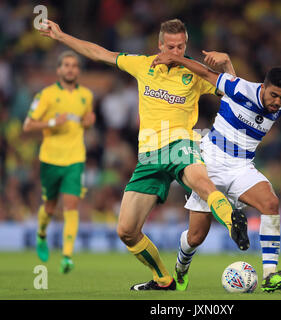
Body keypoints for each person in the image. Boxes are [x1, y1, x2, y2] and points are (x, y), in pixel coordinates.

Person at [39, 18, 249, 290]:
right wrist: (62, 36)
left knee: (201, 182)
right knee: (126, 230)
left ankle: (233, 222)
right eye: (171, 46)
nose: (176, 52)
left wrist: (228, 65)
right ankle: (163, 280)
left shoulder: (195, 72)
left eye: (181, 46)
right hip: (149, 155)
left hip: (180, 143)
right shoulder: (141, 64)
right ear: (160, 45)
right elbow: (101, 53)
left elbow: (237, 93)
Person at [151, 52, 281, 292]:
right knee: (195, 238)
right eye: (274, 95)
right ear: (263, 87)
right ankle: (181, 267)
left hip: (241, 168)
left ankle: (270, 275)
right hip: (209, 165)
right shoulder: (240, 88)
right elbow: (207, 73)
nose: (278, 102)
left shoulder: (279, 105)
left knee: (271, 203)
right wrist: (177, 60)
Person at [23, 50, 95, 273]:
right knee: (50, 207)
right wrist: (52, 122)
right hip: (50, 159)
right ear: (59, 70)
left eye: (74, 65)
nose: (70, 68)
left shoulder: (86, 96)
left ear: (78, 71)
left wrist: (89, 122)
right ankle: (41, 234)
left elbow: (85, 122)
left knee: (71, 205)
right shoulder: (45, 95)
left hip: (75, 159)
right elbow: (28, 125)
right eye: (66, 65)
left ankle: (67, 256)